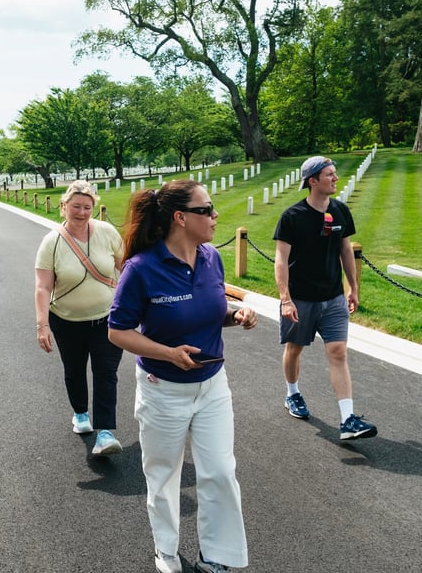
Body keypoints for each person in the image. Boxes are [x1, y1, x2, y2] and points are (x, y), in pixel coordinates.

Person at [108, 179, 257, 573]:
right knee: (163, 475)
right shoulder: (142, 269)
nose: (215, 215)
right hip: (162, 391)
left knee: (220, 472)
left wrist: (235, 315)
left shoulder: (212, 258)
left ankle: (216, 555)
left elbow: (210, 310)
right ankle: (166, 550)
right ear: (180, 217)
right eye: (206, 209)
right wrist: (168, 354)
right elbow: (118, 331)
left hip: (212, 387)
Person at [273, 155, 378, 440]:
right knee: (295, 349)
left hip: (333, 298)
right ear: (313, 181)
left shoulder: (340, 211)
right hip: (301, 299)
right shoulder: (292, 217)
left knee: (338, 352)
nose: (335, 178)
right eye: (329, 174)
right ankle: (292, 393)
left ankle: (348, 420)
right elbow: (281, 260)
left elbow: (346, 250)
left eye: (334, 173)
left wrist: (353, 287)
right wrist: (286, 298)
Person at [34, 180, 124, 456]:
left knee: (106, 372)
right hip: (66, 321)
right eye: (76, 207)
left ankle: (105, 432)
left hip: (106, 319)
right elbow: (43, 287)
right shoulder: (52, 242)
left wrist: (135, 306)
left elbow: (127, 269)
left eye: (87, 207)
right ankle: (81, 413)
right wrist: (42, 325)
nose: (82, 212)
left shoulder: (107, 233)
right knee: (74, 370)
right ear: (64, 206)